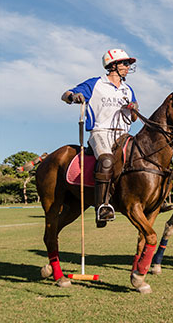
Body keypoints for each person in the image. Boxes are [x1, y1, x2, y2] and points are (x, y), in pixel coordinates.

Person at [62, 49, 138, 227]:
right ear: (113, 65)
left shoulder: (128, 89)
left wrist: (134, 108)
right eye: (125, 63)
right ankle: (102, 206)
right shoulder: (95, 83)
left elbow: (134, 117)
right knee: (106, 160)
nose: (128, 67)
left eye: (128, 64)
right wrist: (73, 96)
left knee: (142, 157)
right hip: (100, 131)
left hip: (123, 134)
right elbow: (65, 95)